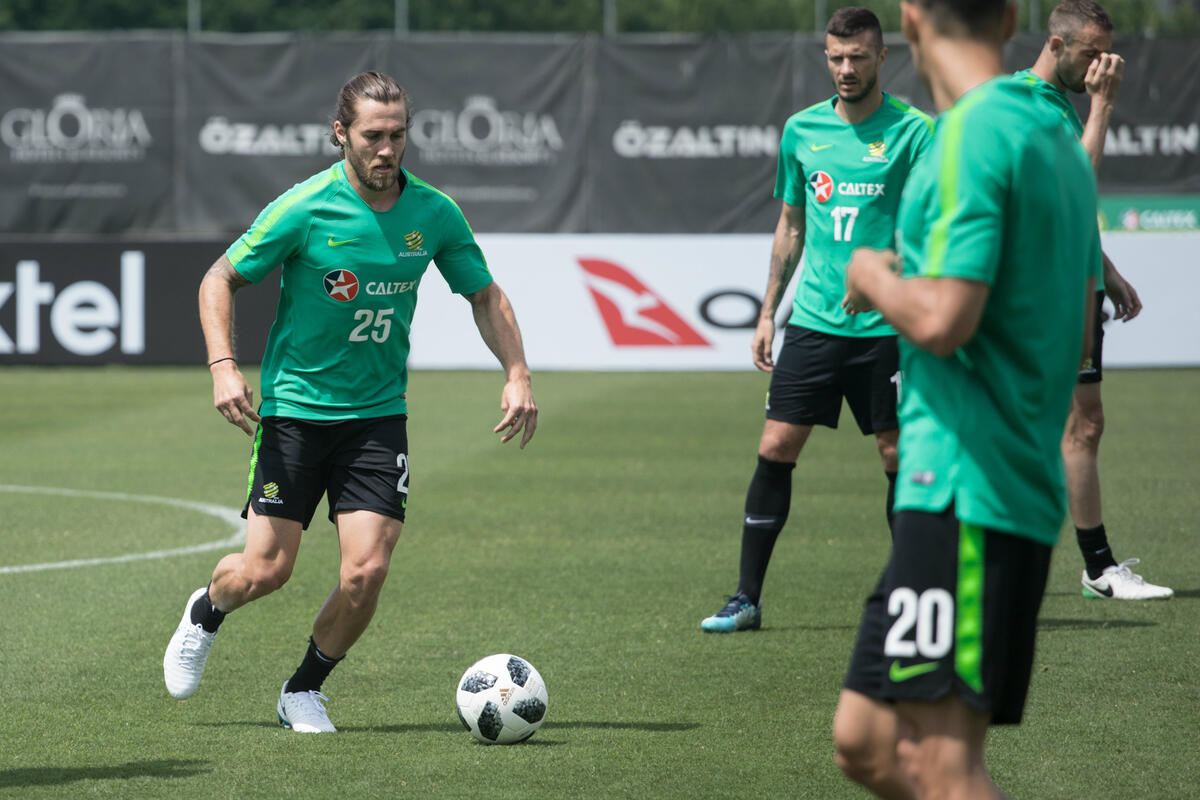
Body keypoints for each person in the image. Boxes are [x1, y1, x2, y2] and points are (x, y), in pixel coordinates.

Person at [162, 71, 538, 733]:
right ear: (341, 134)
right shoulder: (305, 207)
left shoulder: (434, 214)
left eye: (397, 135)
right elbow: (219, 278)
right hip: (295, 412)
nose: (386, 149)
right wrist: (223, 366)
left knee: (366, 572)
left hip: (377, 416)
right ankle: (207, 611)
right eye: (372, 136)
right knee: (265, 571)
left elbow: (484, 294)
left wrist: (517, 373)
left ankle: (303, 690)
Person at [830, 0, 1103, 795]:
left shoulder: (971, 134)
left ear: (909, 17)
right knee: (865, 741)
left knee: (943, 765)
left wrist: (872, 274)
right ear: (1013, 16)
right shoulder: (1053, 134)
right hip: (967, 483)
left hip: (971, 487)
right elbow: (1074, 323)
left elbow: (945, 320)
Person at [699, 7, 933, 633]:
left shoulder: (915, 132)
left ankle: (918, 593)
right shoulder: (802, 130)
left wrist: (887, 278)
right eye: (836, 57)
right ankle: (746, 599)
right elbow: (791, 225)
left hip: (889, 327)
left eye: (858, 57)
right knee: (775, 445)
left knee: (896, 453)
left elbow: (931, 227)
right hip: (813, 323)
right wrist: (767, 312)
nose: (846, 68)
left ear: (883, 57)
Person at [1016, 0, 1171, 600]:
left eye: (1107, 54)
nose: (1102, 67)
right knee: (1041, 427)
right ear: (1055, 46)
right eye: (1091, 55)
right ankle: (1080, 568)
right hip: (1044, 293)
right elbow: (1074, 188)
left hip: (1076, 284)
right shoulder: (1029, 104)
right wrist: (1104, 106)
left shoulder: (1055, 101)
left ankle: (1097, 568)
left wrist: (1104, 268)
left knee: (1085, 422)